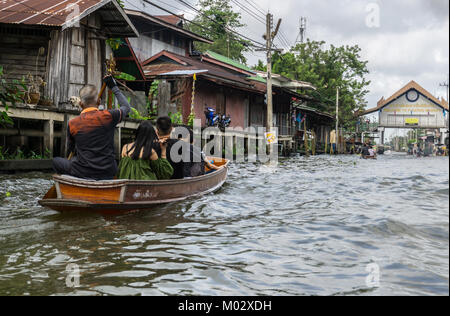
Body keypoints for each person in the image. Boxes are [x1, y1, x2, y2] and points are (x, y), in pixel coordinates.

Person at [52, 76, 131, 180]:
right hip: (108, 170)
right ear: (98, 102)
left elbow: (71, 148)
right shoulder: (108, 116)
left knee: (56, 161)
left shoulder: (73, 124)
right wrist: (114, 87)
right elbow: (126, 107)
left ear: (80, 104)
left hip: (83, 171)